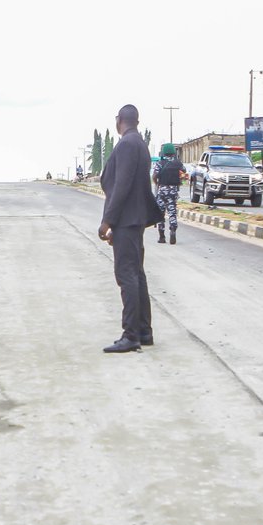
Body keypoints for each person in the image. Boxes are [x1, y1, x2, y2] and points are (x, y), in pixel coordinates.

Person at [99, 104, 163, 353]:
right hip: (134, 219)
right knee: (137, 275)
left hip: (126, 220)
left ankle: (131, 335)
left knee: (127, 276)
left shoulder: (126, 144)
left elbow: (122, 184)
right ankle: (144, 331)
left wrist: (108, 221)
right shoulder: (140, 143)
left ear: (119, 121)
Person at [152, 143, 184, 245]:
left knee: (160, 214)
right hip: (173, 191)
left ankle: (162, 237)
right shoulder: (178, 163)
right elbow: (184, 172)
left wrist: (157, 184)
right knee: (172, 212)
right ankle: (173, 230)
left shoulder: (160, 163)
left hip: (162, 191)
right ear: (173, 153)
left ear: (163, 152)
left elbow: (154, 176)